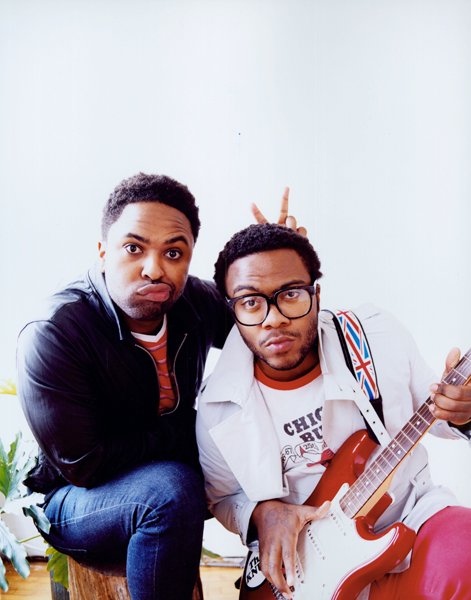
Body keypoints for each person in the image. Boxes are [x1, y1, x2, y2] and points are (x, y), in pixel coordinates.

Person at [16, 173, 291, 600]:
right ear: (103, 251)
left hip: (168, 479)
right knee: (169, 491)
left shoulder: (192, 303)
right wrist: (192, 434)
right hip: (72, 499)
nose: (154, 269)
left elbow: (268, 333)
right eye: (134, 248)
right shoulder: (56, 332)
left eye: (173, 253)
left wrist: (279, 275)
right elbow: (84, 465)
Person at [196, 222, 471, 600]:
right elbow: (222, 498)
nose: (273, 318)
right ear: (232, 310)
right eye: (251, 302)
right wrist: (261, 513)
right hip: (307, 571)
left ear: (317, 294)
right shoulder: (217, 407)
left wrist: (461, 412)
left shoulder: (375, 337)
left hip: (410, 522)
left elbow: (436, 409)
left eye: (290, 294)